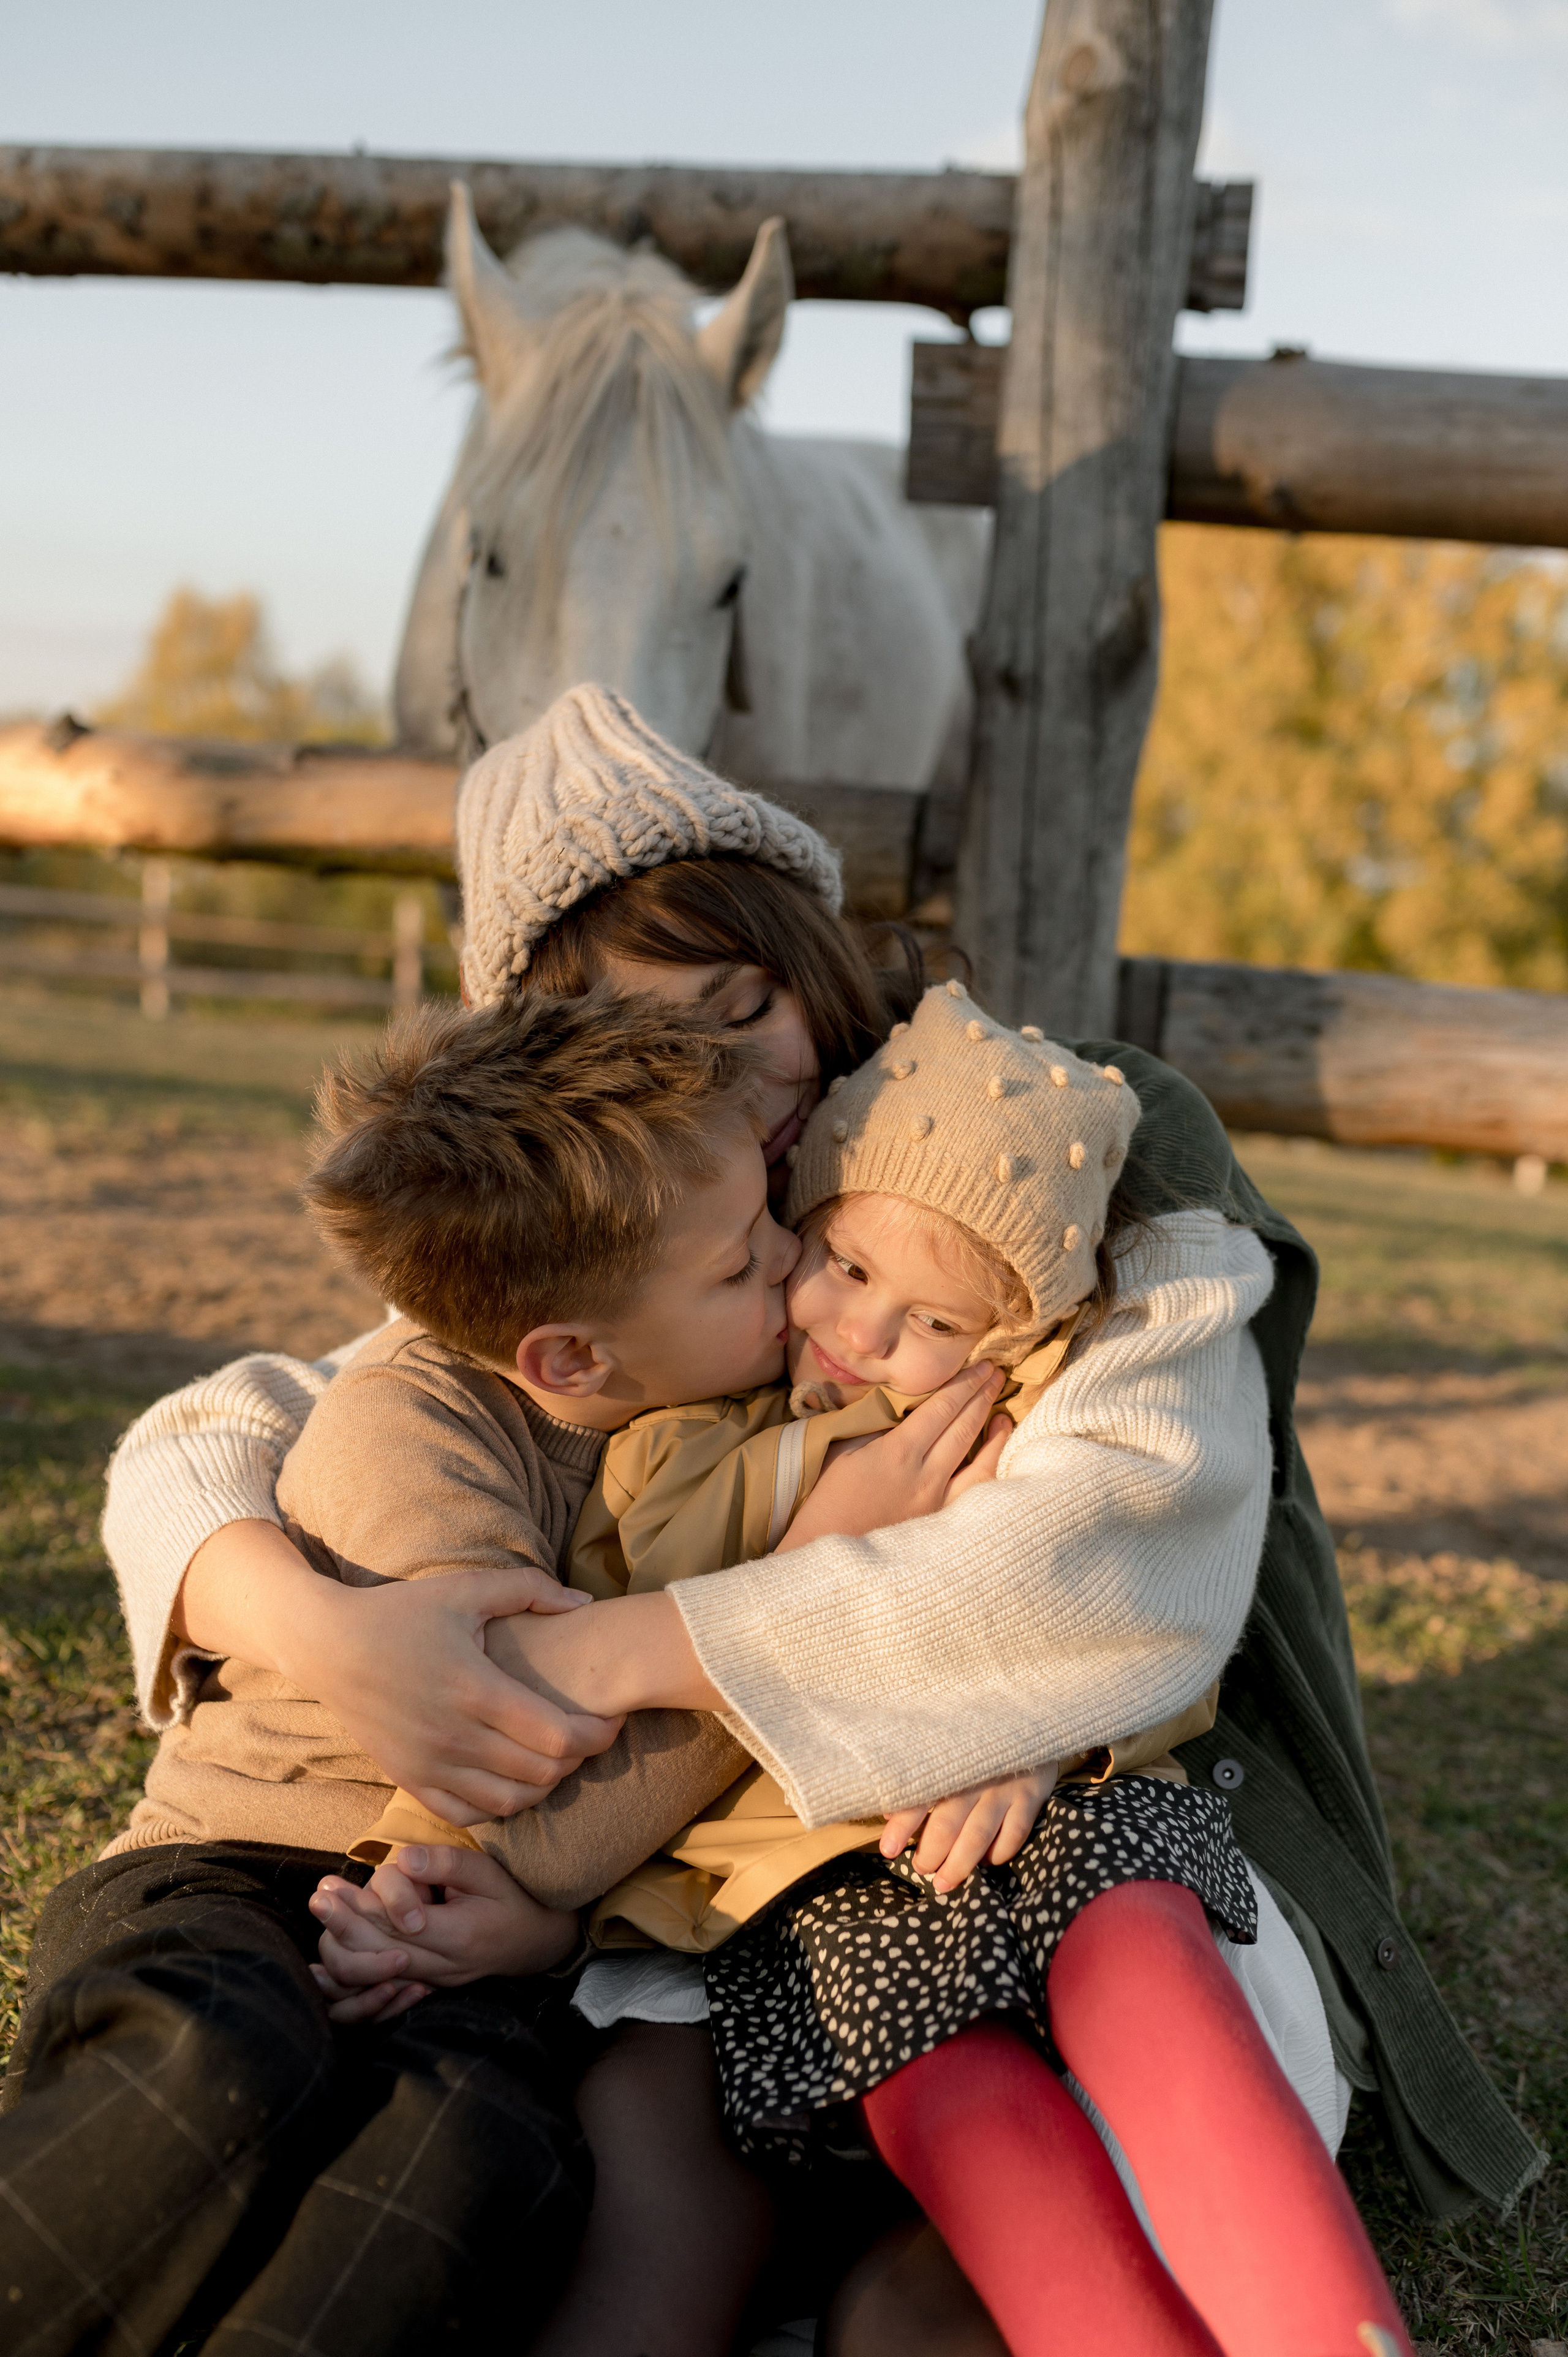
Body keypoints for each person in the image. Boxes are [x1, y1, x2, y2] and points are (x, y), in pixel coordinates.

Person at [2, 685, 1537, 2347]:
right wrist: (309, 1620)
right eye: (666, 1059)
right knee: (748, 2197)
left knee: (994, 2173)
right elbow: (239, 1422)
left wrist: (622, 1658)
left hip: (1080, 1838)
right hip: (764, 1906)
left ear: (810, 954)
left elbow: (1117, 1540)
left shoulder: (1050, 1137)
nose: (739, 1082)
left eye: (748, 1006)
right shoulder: (663, 1216)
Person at [314, 980, 1410, 2357]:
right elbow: (562, 1722)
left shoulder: (1008, 1401)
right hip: (792, 1906)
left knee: (1125, 1994)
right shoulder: (666, 1457)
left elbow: (1116, 1603)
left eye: (937, 1317)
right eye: (788, 1258)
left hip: (1028, 1833)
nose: (812, 1286)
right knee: (836, 2132)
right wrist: (455, 1873)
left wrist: (1028, 1724)